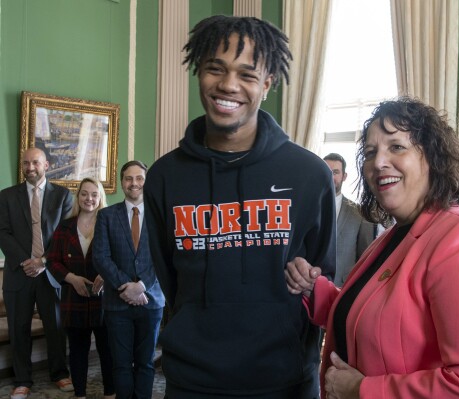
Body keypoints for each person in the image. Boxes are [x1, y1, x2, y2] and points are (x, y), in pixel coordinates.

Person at [143, 15, 336, 399]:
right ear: (199, 72)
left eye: (247, 74)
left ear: (267, 83)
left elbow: (321, 277)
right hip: (191, 382)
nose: (228, 85)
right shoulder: (165, 176)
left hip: (285, 382)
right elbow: (170, 278)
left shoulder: (309, 174)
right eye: (216, 68)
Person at [285, 97, 459, 399]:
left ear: (432, 157)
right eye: (370, 153)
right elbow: (381, 319)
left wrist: (361, 390)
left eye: (396, 147)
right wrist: (314, 290)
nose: (379, 162)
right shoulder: (391, 238)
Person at [0, 147, 74, 399]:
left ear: (47, 164)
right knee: (18, 328)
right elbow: (2, 232)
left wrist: (42, 260)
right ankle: (22, 379)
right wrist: (25, 261)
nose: (29, 167)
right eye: (25, 163)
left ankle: (60, 373)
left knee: (55, 326)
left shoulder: (63, 196)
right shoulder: (6, 196)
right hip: (18, 273)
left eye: (35, 163)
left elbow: (64, 235)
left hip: (51, 272)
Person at [93, 161, 165, 399]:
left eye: (139, 178)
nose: (134, 183)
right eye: (128, 178)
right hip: (117, 302)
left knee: (145, 363)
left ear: (146, 181)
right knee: (121, 364)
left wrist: (142, 286)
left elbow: (164, 256)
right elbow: (100, 257)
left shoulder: (160, 215)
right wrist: (127, 287)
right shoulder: (106, 216)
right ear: (122, 181)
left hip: (151, 301)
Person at [46, 177, 115, 399]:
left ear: (100, 197)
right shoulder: (65, 225)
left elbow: (120, 258)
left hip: (104, 298)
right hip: (73, 298)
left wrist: (106, 275)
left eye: (94, 194)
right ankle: (80, 394)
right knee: (77, 351)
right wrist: (71, 278)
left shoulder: (110, 222)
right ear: (78, 197)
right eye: (84, 193)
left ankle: (110, 393)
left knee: (107, 351)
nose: (89, 198)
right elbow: (53, 260)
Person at [323, 153, 375, 287]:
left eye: (335, 172)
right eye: (326, 171)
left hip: (342, 287)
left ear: (344, 176)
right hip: (307, 288)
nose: (330, 177)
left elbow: (365, 256)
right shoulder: (305, 208)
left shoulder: (360, 213)